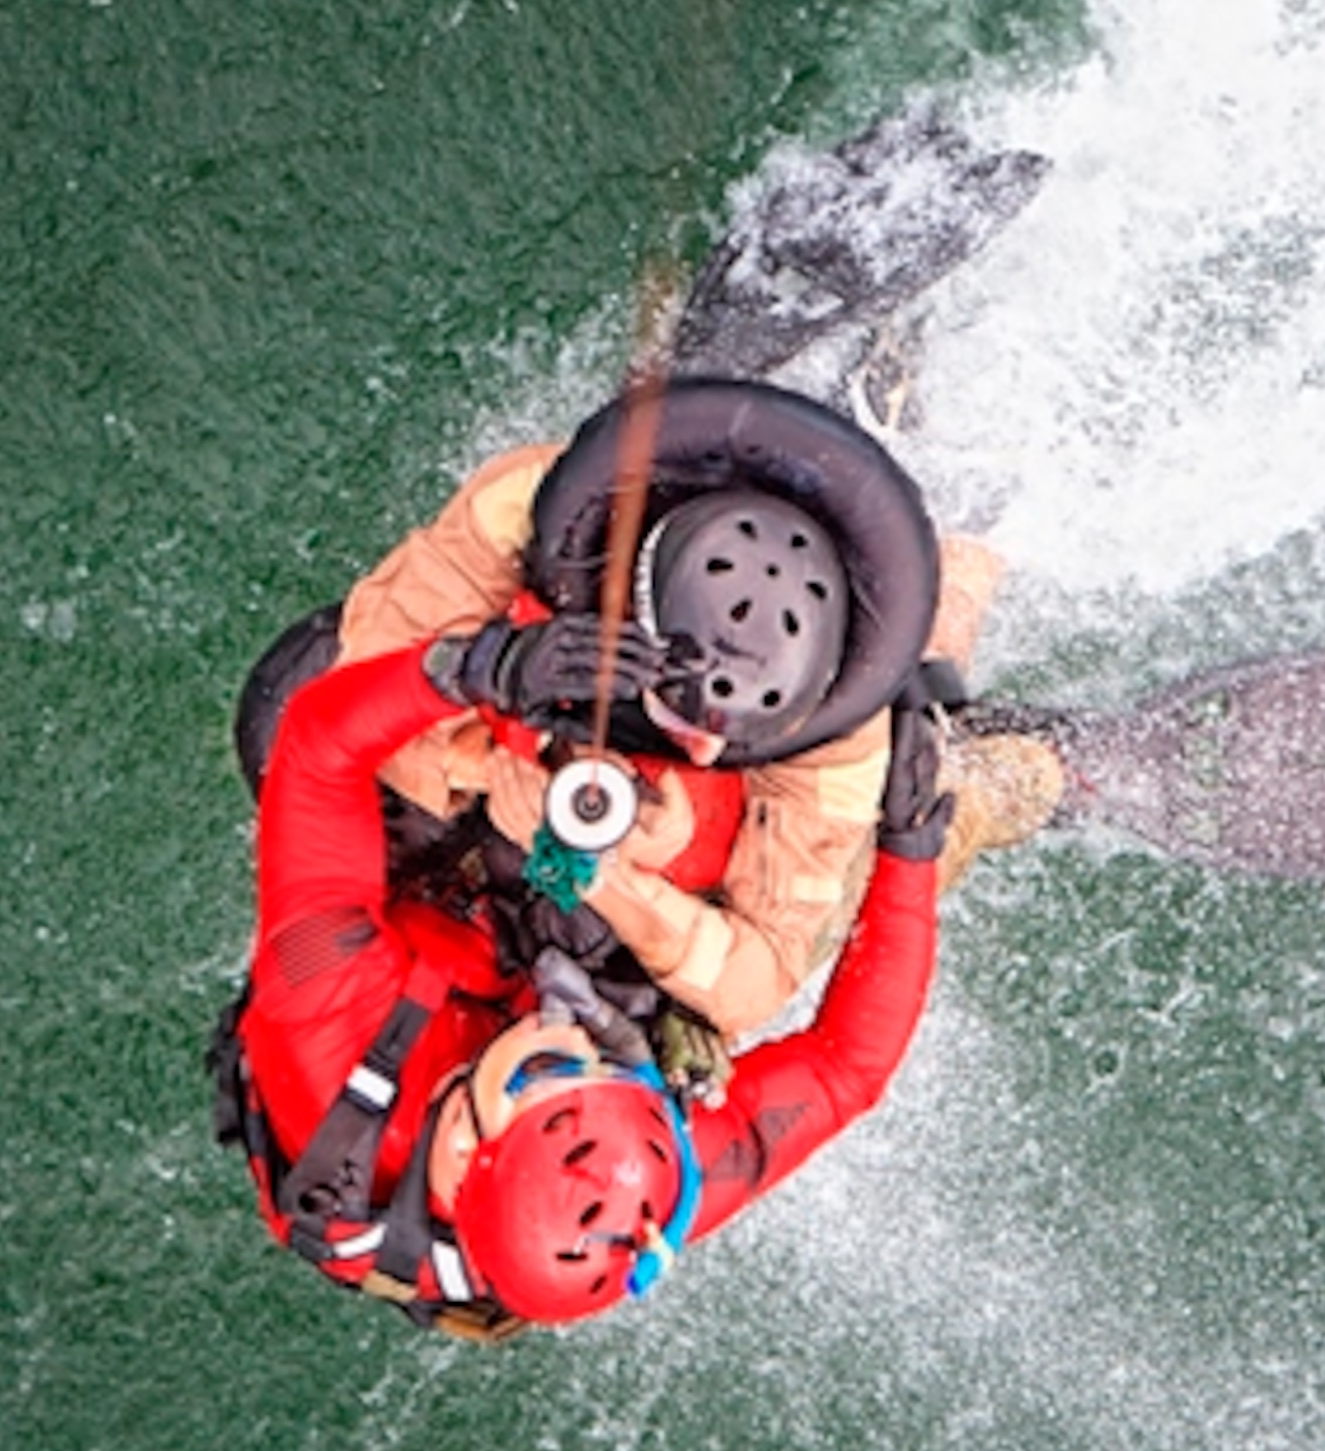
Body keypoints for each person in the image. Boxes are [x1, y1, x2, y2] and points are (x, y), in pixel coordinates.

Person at [212, 631, 952, 1338]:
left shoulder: (322, 1012)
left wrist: (485, 665)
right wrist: (910, 851)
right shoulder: (635, 1180)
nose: (573, 1033)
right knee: (736, 904)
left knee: (284, 706)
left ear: (467, 1143)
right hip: (500, 979)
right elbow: (847, 1067)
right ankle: (1001, 766)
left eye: (553, 1065)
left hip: (421, 923)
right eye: (607, 1064)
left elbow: (316, 746)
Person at [327, 379, 1065, 1060]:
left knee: (923, 770)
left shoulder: (836, 727)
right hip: (549, 680)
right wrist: (503, 707)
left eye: (729, 732)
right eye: (688, 717)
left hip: (743, 814)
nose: (708, 749)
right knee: (299, 725)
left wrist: (614, 878)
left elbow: (763, 973)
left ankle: (1035, 739)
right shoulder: (531, 506)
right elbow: (353, 682)